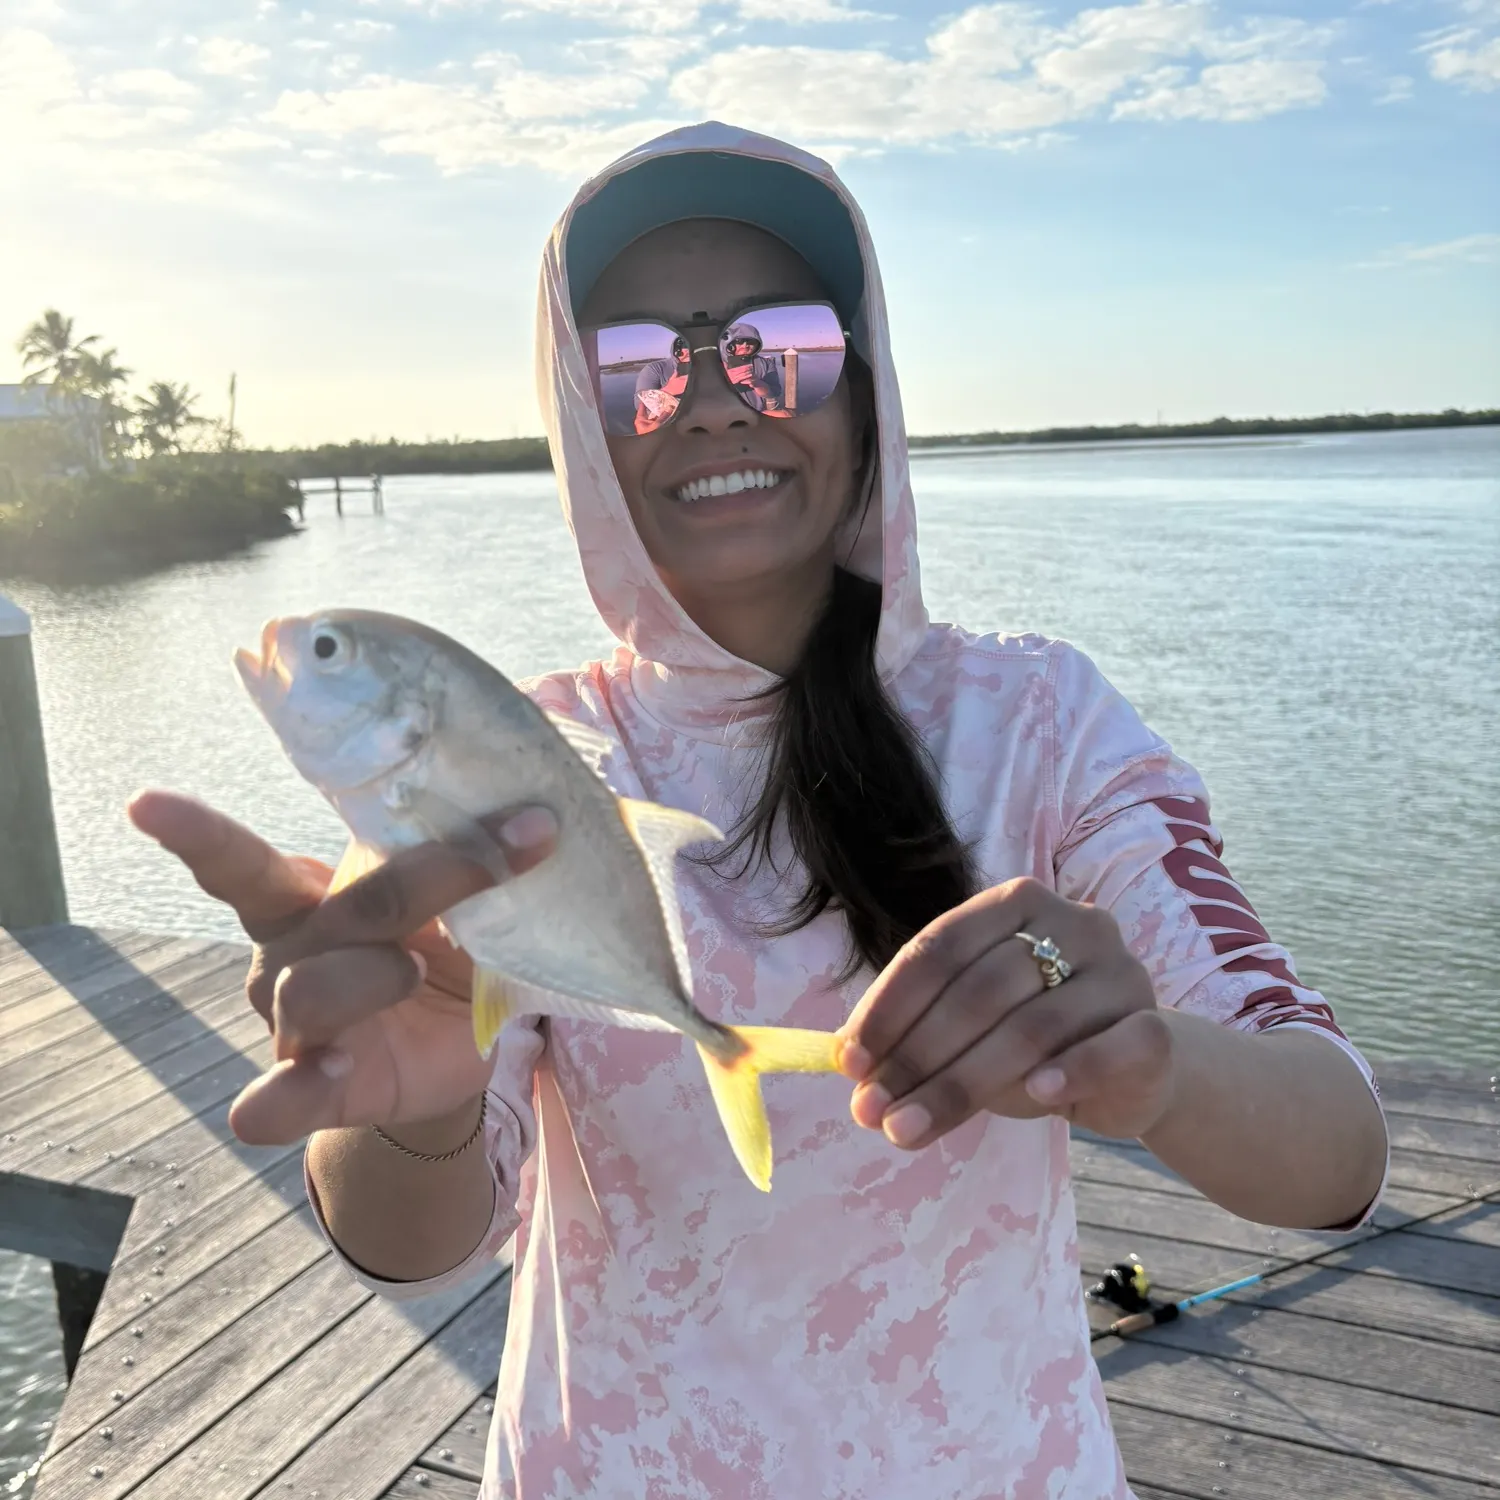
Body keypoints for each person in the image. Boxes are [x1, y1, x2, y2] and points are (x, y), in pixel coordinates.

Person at [128, 121, 1389, 1498]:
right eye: (639, 366)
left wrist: (1153, 1065)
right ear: (580, 424)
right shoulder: (535, 766)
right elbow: (411, 1241)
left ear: (864, 385)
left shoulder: (1044, 725)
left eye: (777, 345)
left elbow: (1337, 1154)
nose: (716, 402)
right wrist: (411, 1096)